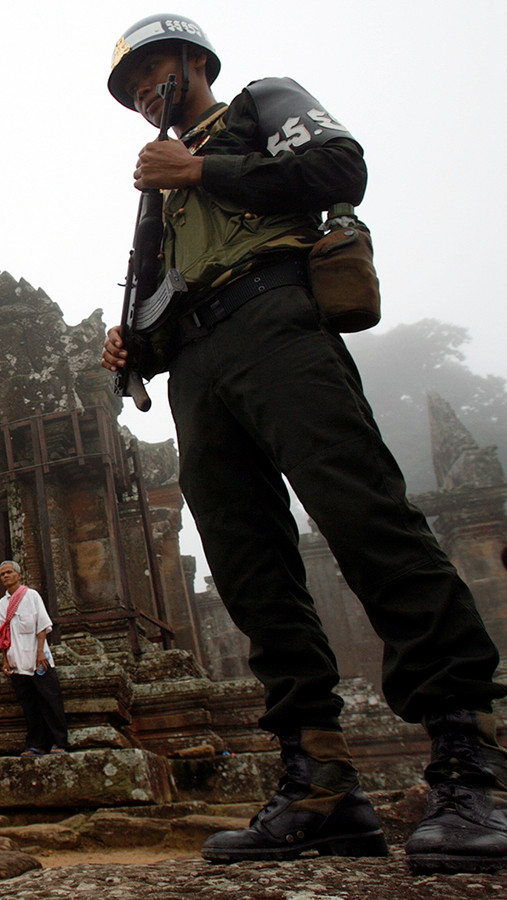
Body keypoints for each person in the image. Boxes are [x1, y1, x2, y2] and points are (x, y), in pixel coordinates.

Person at [103, 14, 507, 871]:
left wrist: (202, 165)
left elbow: (339, 167)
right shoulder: (154, 192)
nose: (142, 91)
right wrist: (129, 341)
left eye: (151, 69)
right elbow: (159, 290)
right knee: (250, 567)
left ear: (194, 62)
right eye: (129, 85)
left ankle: (472, 763)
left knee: (362, 517)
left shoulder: (258, 105)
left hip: (278, 318)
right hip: (196, 366)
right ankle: (316, 781)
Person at [0, 561, 68, 757]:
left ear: (19, 575)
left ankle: (58, 741)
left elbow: (41, 625)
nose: (5, 576)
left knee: (49, 700)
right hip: (16, 659)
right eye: (2, 574)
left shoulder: (31, 595)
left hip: (37, 656)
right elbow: (3, 635)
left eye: (9, 572)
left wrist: (41, 652)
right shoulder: (1, 605)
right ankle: (36, 744)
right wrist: (5, 660)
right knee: (29, 705)